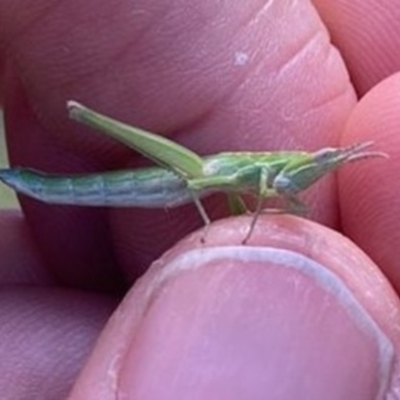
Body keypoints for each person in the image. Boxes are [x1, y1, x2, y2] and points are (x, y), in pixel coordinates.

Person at [0, 0, 399, 398]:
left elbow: (278, 200)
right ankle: (71, 139)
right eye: (325, 160)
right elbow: (259, 193)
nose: (325, 165)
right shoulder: (269, 173)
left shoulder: (276, 176)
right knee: (195, 175)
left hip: (198, 182)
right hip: (189, 176)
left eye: (329, 162)